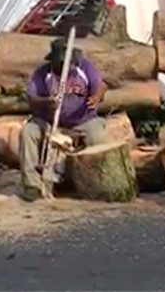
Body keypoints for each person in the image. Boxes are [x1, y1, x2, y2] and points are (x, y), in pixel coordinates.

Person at [18, 37, 108, 201]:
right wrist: (46, 102)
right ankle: (32, 185)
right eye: (61, 64)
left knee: (98, 137)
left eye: (69, 63)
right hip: (49, 121)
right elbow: (31, 98)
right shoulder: (43, 73)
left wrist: (95, 97)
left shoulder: (84, 67)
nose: (67, 67)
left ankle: (99, 184)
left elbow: (101, 86)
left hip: (83, 119)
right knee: (28, 132)